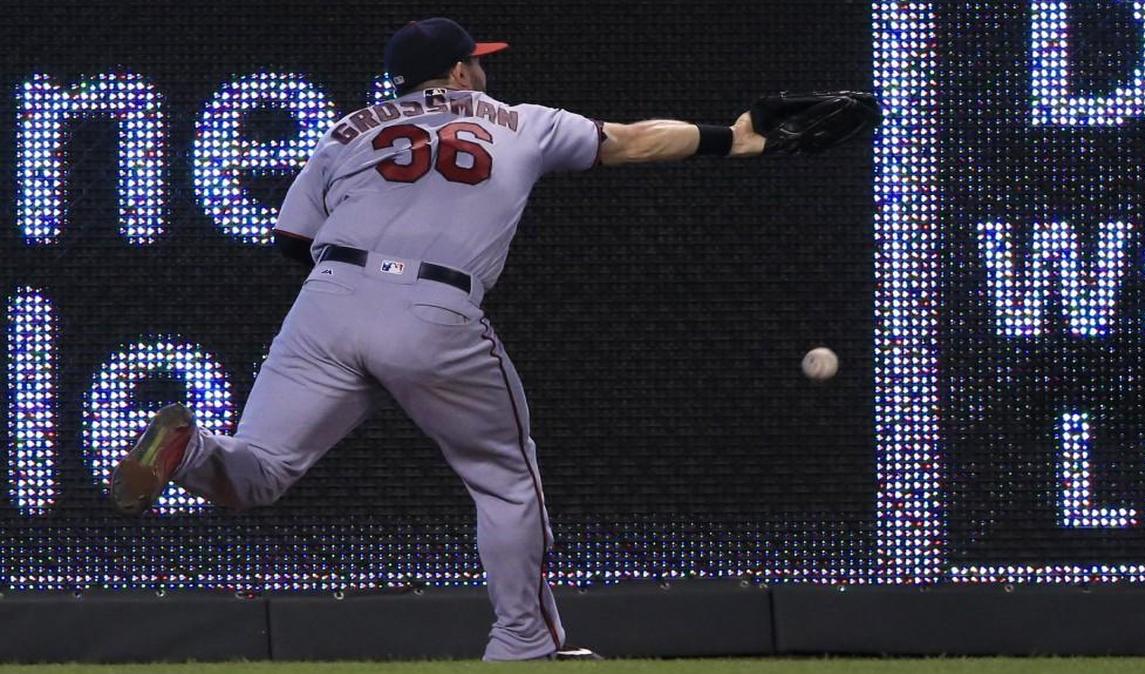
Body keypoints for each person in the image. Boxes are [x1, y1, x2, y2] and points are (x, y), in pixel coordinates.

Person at [110, 17, 769, 661]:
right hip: (433, 303)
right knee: (506, 479)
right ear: (460, 71)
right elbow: (631, 140)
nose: (484, 69)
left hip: (329, 300)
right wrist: (730, 139)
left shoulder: (348, 131)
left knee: (260, 472)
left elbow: (291, 239)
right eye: (479, 60)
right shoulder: (520, 120)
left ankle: (190, 449)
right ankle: (525, 645)